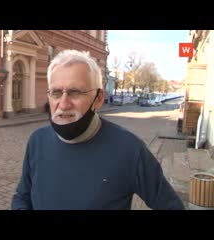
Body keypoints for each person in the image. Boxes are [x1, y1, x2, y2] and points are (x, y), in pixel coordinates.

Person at [11, 49, 185, 210]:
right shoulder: (37, 141)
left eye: (75, 92)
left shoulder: (130, 150)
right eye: (56, 92)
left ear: (99, 98)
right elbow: (22, 197)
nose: (63, 104)